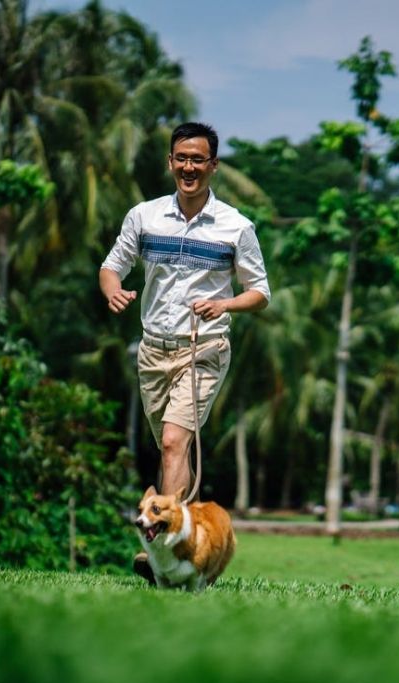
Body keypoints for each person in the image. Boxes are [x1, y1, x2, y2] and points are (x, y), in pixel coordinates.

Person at [99, 122, 270, 582]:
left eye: (199, 159)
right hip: (153, 351)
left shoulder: (237, 226)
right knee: (170, 448)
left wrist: (224, 303)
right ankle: (192, 545)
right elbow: (111, 266)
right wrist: (113, 290)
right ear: (170, 162)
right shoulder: (144, 216)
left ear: (213, 166)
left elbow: (260, 292)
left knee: (175, 443)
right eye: (182, 158)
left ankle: (158, 556)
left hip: (205, 347)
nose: (189, 167)